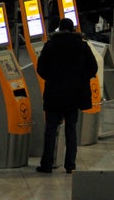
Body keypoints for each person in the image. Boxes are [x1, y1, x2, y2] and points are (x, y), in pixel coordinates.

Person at [35, 18, 97, 174]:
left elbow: (41, 68)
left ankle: (47, 164)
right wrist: (81, 78)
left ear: (59, 29)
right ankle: (70, 165)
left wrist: (52, 78)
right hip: (74, 94)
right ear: (73, 29)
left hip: (54, 93)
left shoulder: (50, 45)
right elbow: (93, 68)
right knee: (71, 129)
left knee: (50, 129)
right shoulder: (82, 46)